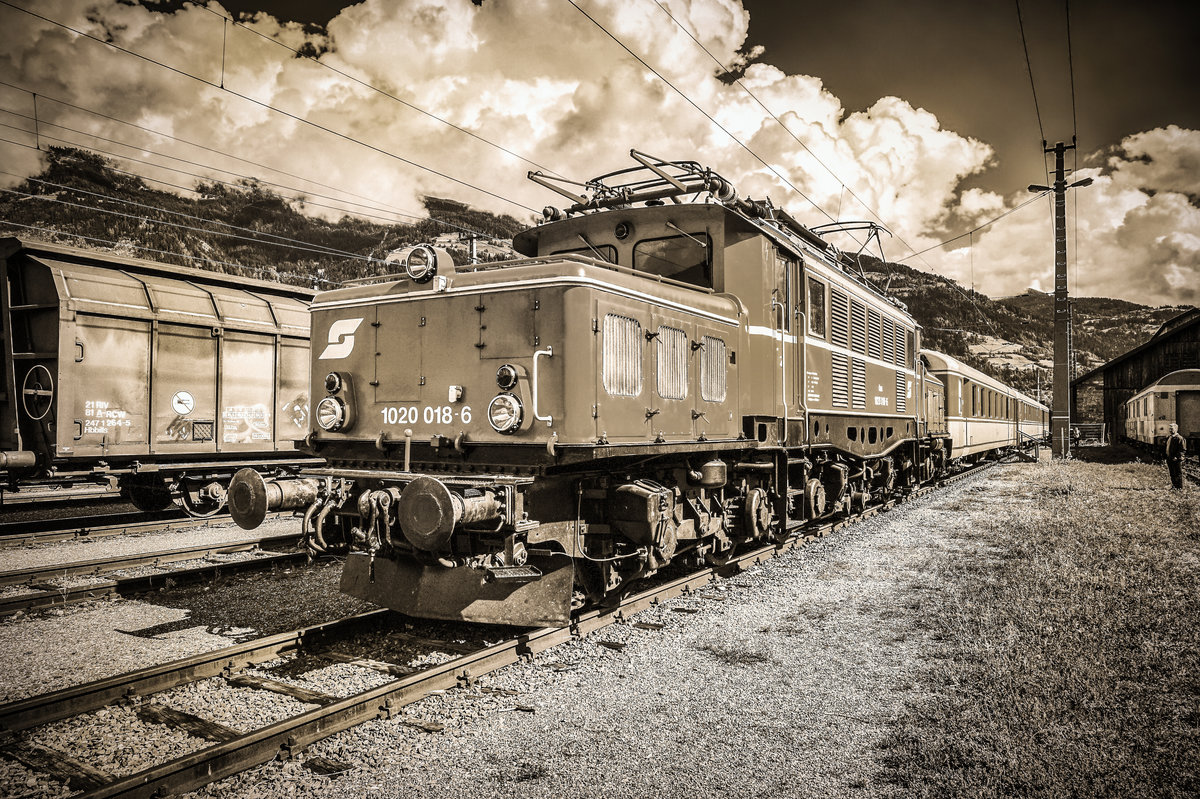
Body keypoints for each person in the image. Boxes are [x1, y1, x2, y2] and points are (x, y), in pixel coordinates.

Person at [1166, 422, 1187, 490]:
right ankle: (1174, 486)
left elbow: (1182, 450)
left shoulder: (1179, 438)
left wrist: (1177, 457)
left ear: (1176, 429)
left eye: (1172, 429)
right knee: (1172, 473)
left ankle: (1179, 487)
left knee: (1178, 473)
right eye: (1169, 429)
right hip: (1170, 458)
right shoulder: (1169, 437)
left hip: (1176, 459)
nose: (1170, 430)